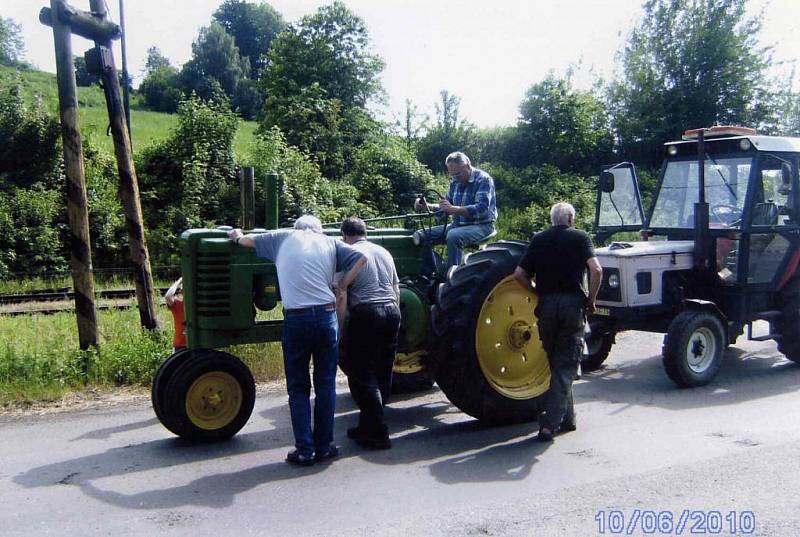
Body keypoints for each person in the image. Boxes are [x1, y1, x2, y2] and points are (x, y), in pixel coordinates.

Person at [229, 216, 366, 466]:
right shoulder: (330, 242)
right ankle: (324, 446)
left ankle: (305, 450)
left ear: (297, 228)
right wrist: (342, 285)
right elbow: (361, 258)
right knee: (326, 385)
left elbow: (247, 240)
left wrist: (236, 236)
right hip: (326, 316)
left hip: (297, 319)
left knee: (299, 387)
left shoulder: (282, 237)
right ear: (319, 229)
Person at [513, 202, 602, 443]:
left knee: (557, 363)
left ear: (553, 219)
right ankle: (549, 425)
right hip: (572, 306)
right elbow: (596, 270)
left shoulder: (539, 239)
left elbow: (519, 274)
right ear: (571, 218)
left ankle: (568, 419)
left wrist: (535, 291)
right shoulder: (580, 237)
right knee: (566, 365)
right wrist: (591, 299)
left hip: (547, 306)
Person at [338, 217, 401, 450]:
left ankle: (378, 433)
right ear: (365, 232)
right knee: (383, 372)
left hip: (366, 313)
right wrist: (397, 319)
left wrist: (339, 328)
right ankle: (366, 425)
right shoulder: (384, 252)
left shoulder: (347, 253)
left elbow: (341, 293)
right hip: (391, 312)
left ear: (345, 234)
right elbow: (396, 289)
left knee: (362, 374)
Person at [414, 151, 497, 267]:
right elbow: (446, 208)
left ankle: (452, 278)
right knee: (421, 235)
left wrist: (455, 209)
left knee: (453, 236)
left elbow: (482, 209)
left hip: (482, 225)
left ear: (467, 166)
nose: (455, 178)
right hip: (458, 225)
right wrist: (426, 206)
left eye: (458, 174)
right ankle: (432, 273)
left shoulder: (483, 180)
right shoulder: (455, 182)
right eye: (452, 175)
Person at [164, 277, 186, 353]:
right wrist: (179, 281)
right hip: (180, 345)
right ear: (182, 292)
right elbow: (168, 296)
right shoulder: (177, 304)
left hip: (196, 345)